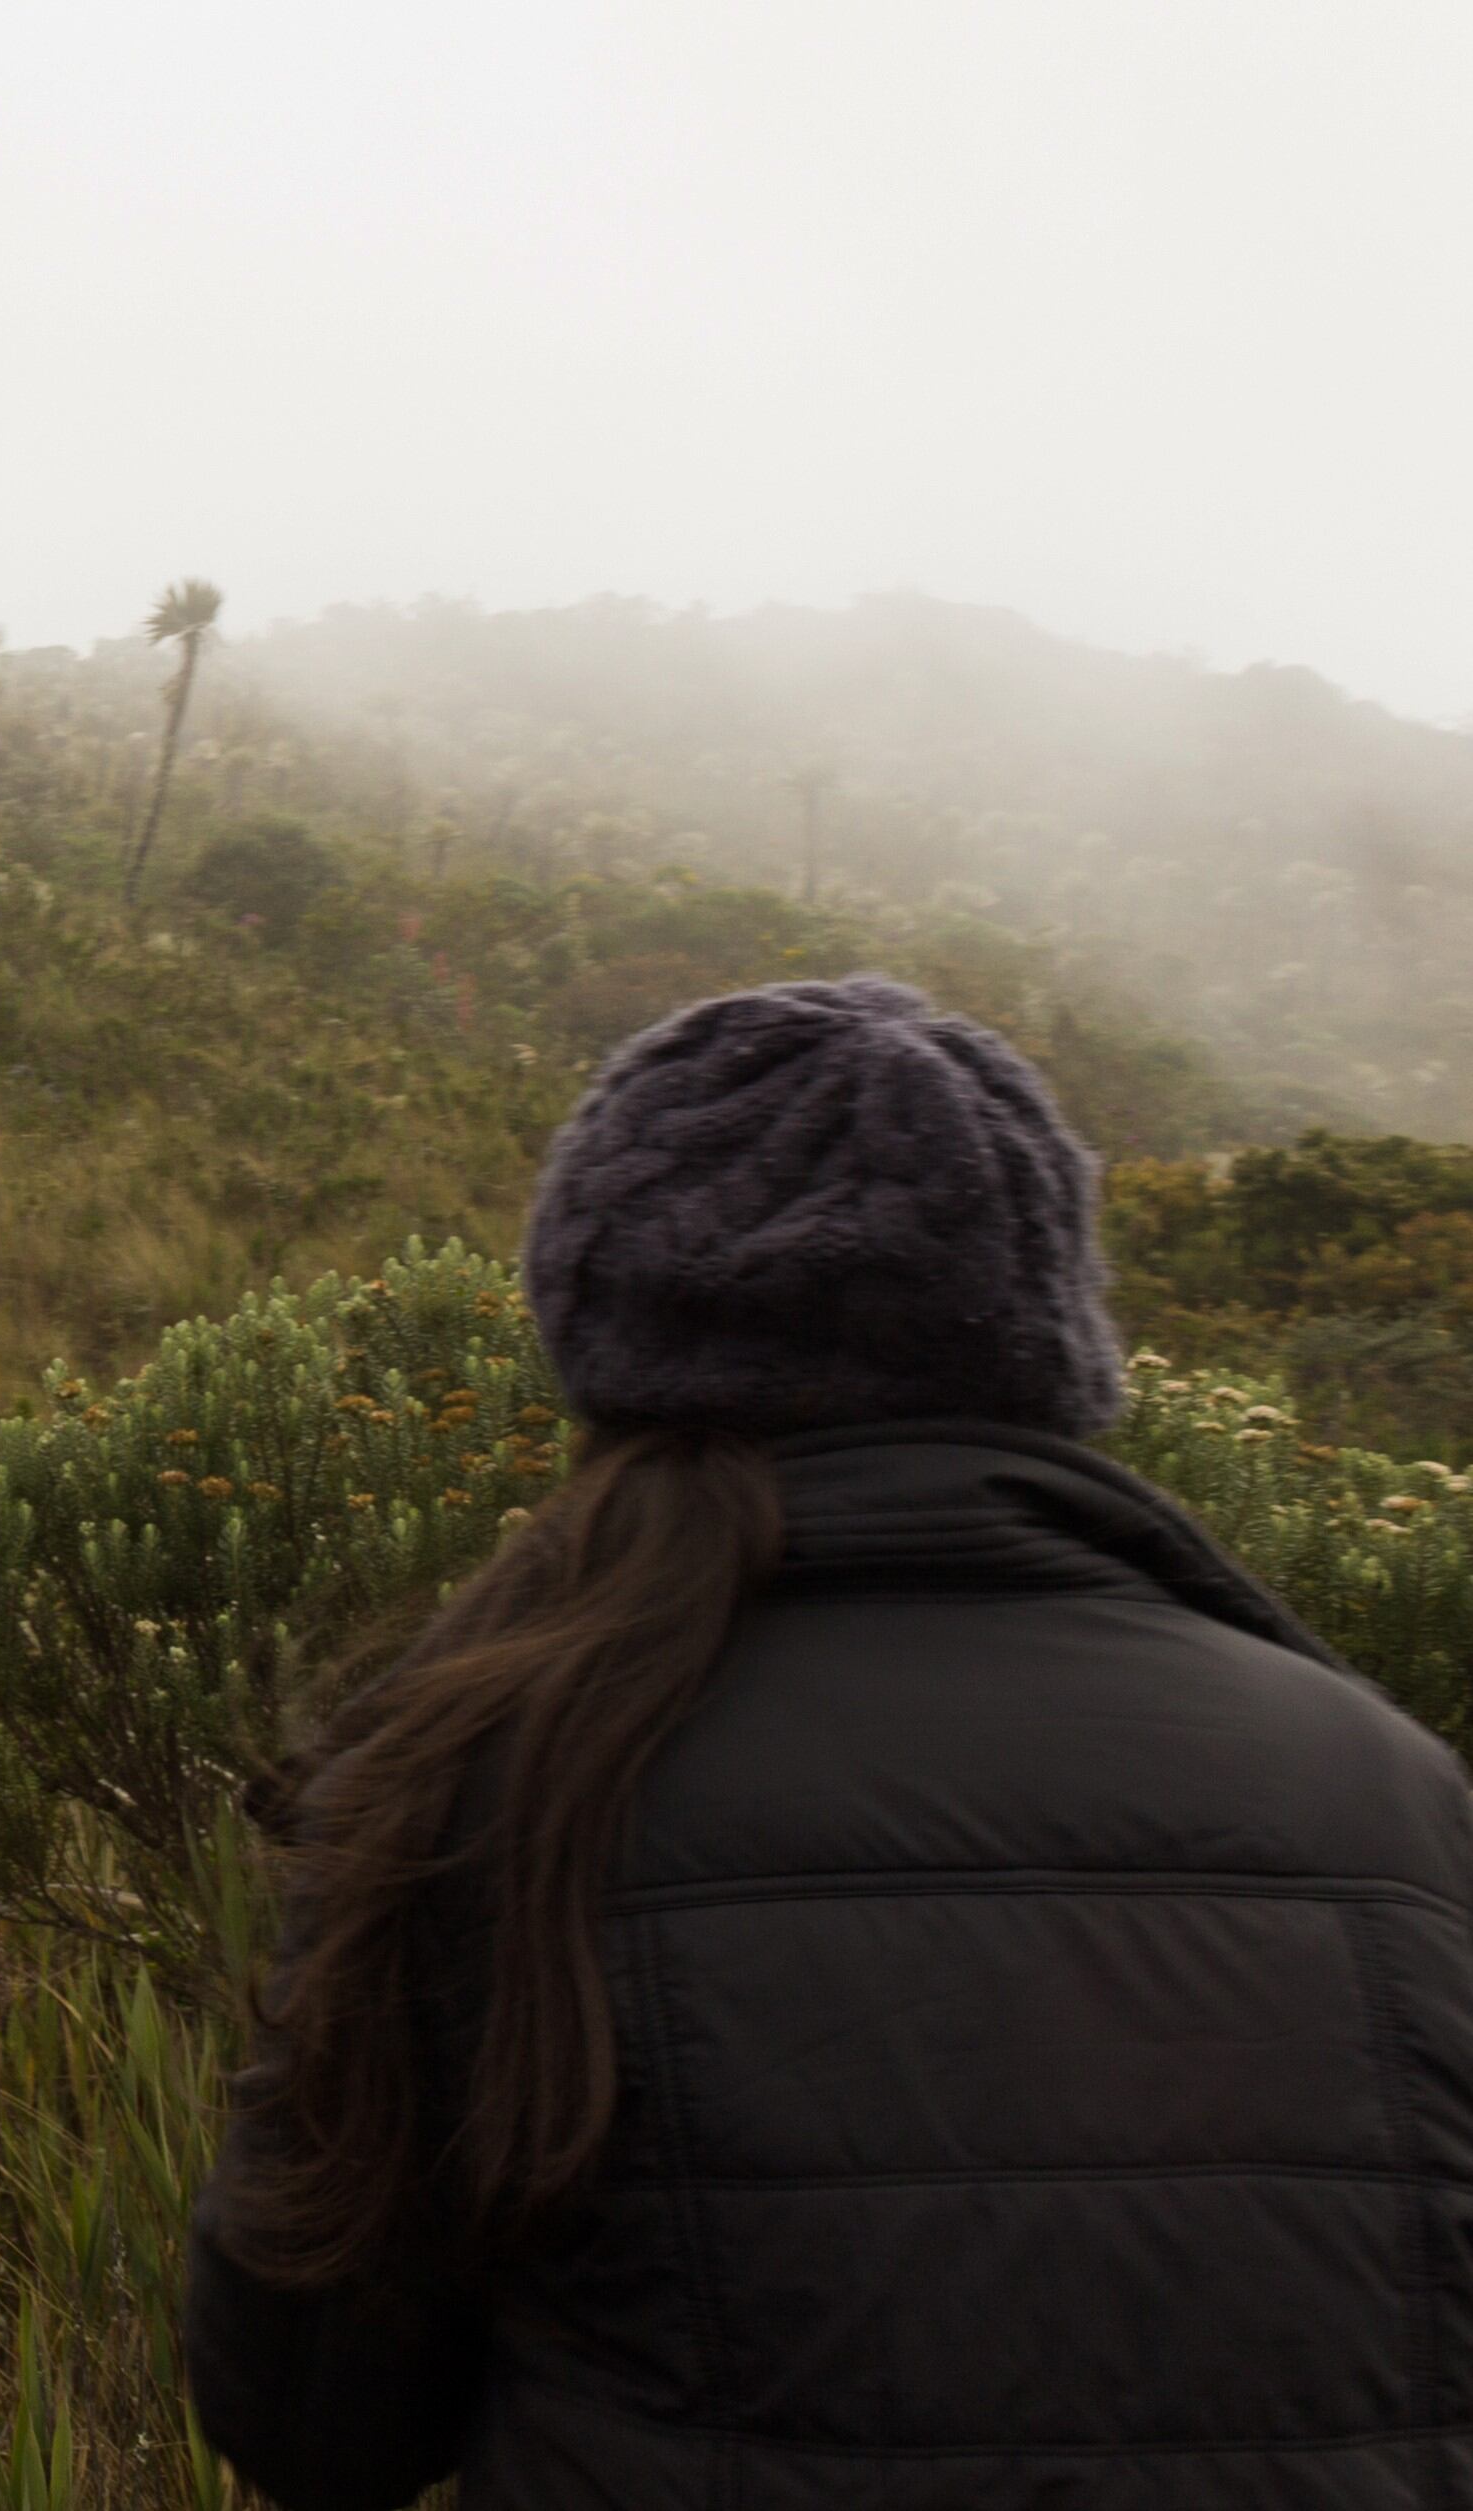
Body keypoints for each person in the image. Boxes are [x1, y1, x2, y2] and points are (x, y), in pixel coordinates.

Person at [185, 975, 1473, 2511]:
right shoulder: (1390, 1783)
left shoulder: (485, 1776)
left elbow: (313, 2425)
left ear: (599, 1328)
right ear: (1050, 1337)